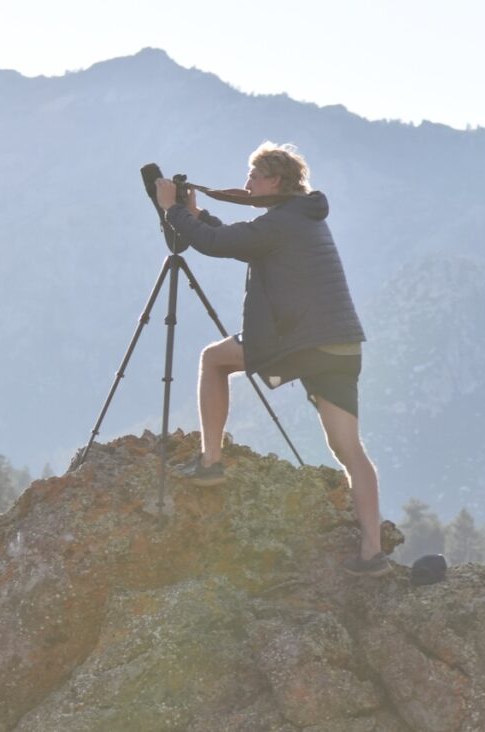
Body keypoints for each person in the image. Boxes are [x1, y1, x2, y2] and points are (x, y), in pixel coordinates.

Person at [154, 142, 390, 577]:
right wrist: (198, 215)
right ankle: (371, 553)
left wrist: (173, 210)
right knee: (350, 451)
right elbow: (239, 239)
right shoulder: (300, 217)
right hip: (338, 344)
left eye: (252, 177)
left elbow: (217, 244)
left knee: (213, 360)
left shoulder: (281, 223)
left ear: (274, 181)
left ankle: (210, 463)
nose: (246, 184)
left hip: (301, 341)